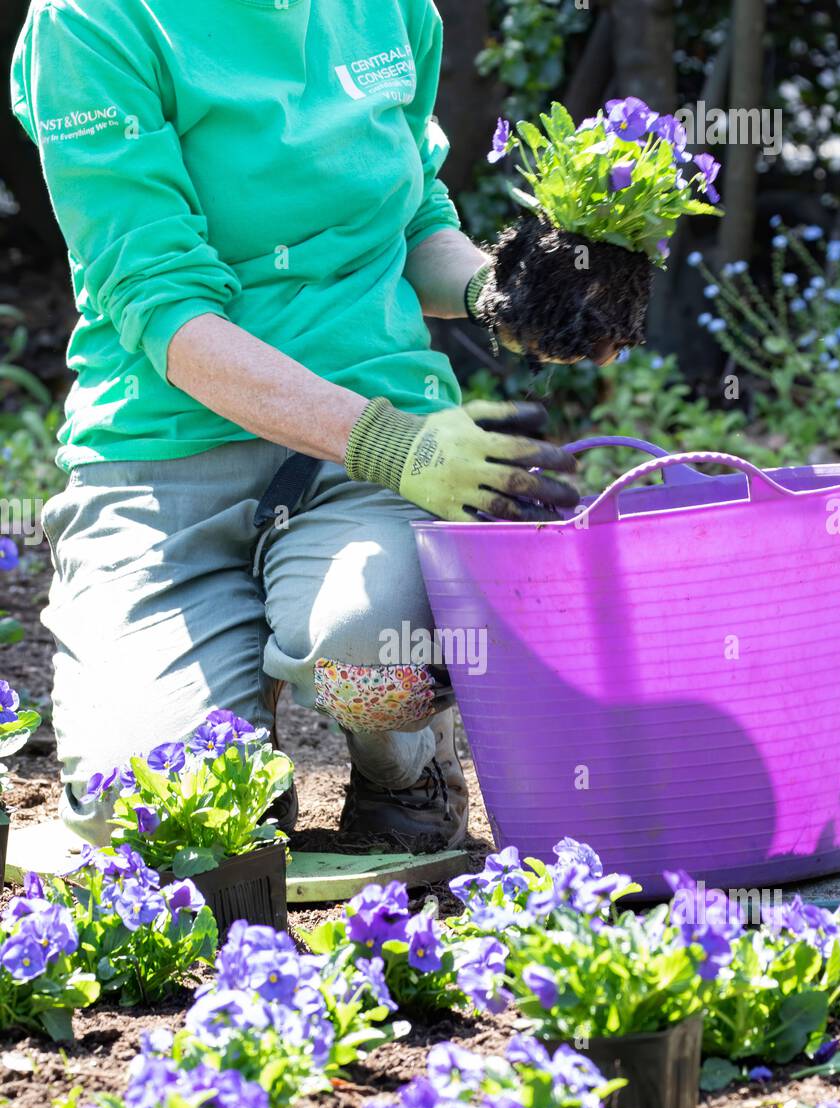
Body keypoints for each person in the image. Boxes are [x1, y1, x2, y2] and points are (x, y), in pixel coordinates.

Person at [10, 0, 609, 850]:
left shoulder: (394, 11)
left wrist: (497, 292)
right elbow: (163, 307)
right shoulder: (90, 22)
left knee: (375, 648)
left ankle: (407, 766)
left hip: (370, 452)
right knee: (152, 818)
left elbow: (408, 222)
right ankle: (235, 715)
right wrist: (392, 444)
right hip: (162, 462)